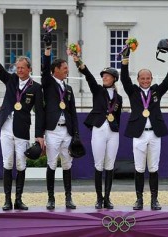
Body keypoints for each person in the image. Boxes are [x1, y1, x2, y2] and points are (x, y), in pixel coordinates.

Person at [0, 39, 45, 211]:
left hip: (22, 129)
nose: (19, 70)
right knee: (7, 162)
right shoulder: (10, 80)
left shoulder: (36, 88)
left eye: (22, 68)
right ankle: (7, 200)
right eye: (17, 68)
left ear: (29, 69)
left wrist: (39, 135)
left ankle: (18, 199)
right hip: (6, 127)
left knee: (21, 164)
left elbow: (40, 112)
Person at [120, 39, 168, 210]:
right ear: (138, 79)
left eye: (148, 78)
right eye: (142, 78)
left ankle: (154, 199)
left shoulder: (157, 91)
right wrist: (125, 59)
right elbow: (123, 79)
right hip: (139, 133)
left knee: (153, 167)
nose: (145, 80)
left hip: (154, 133)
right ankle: (139, 200)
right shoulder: (133, 92)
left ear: (151, 79)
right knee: (139, 168)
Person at [71, 55, 123, 209]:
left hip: (113, 131)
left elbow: (118, 116)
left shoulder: (119, 98)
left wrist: (115, 126)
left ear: (114, 78)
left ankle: (107, 198)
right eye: (103, 76)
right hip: (99, 129)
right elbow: (89, 77)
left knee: (110, 164)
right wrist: (79, 62)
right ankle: (99, 198)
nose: (104, 78)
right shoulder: (98, 91)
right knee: (98, 164)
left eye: (107, 76)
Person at [41, 32, 79, 210]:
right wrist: (47, 50)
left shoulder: (69, 88)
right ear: (56, 69)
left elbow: (73, 112)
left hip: (67, 131)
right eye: (64, 68)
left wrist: (76, 134)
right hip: (53, 131)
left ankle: (68, 197)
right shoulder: (48, 83)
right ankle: (50, 198)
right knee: (51, 163)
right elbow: (44, 69)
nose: (67, 70)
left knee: (67, 164)